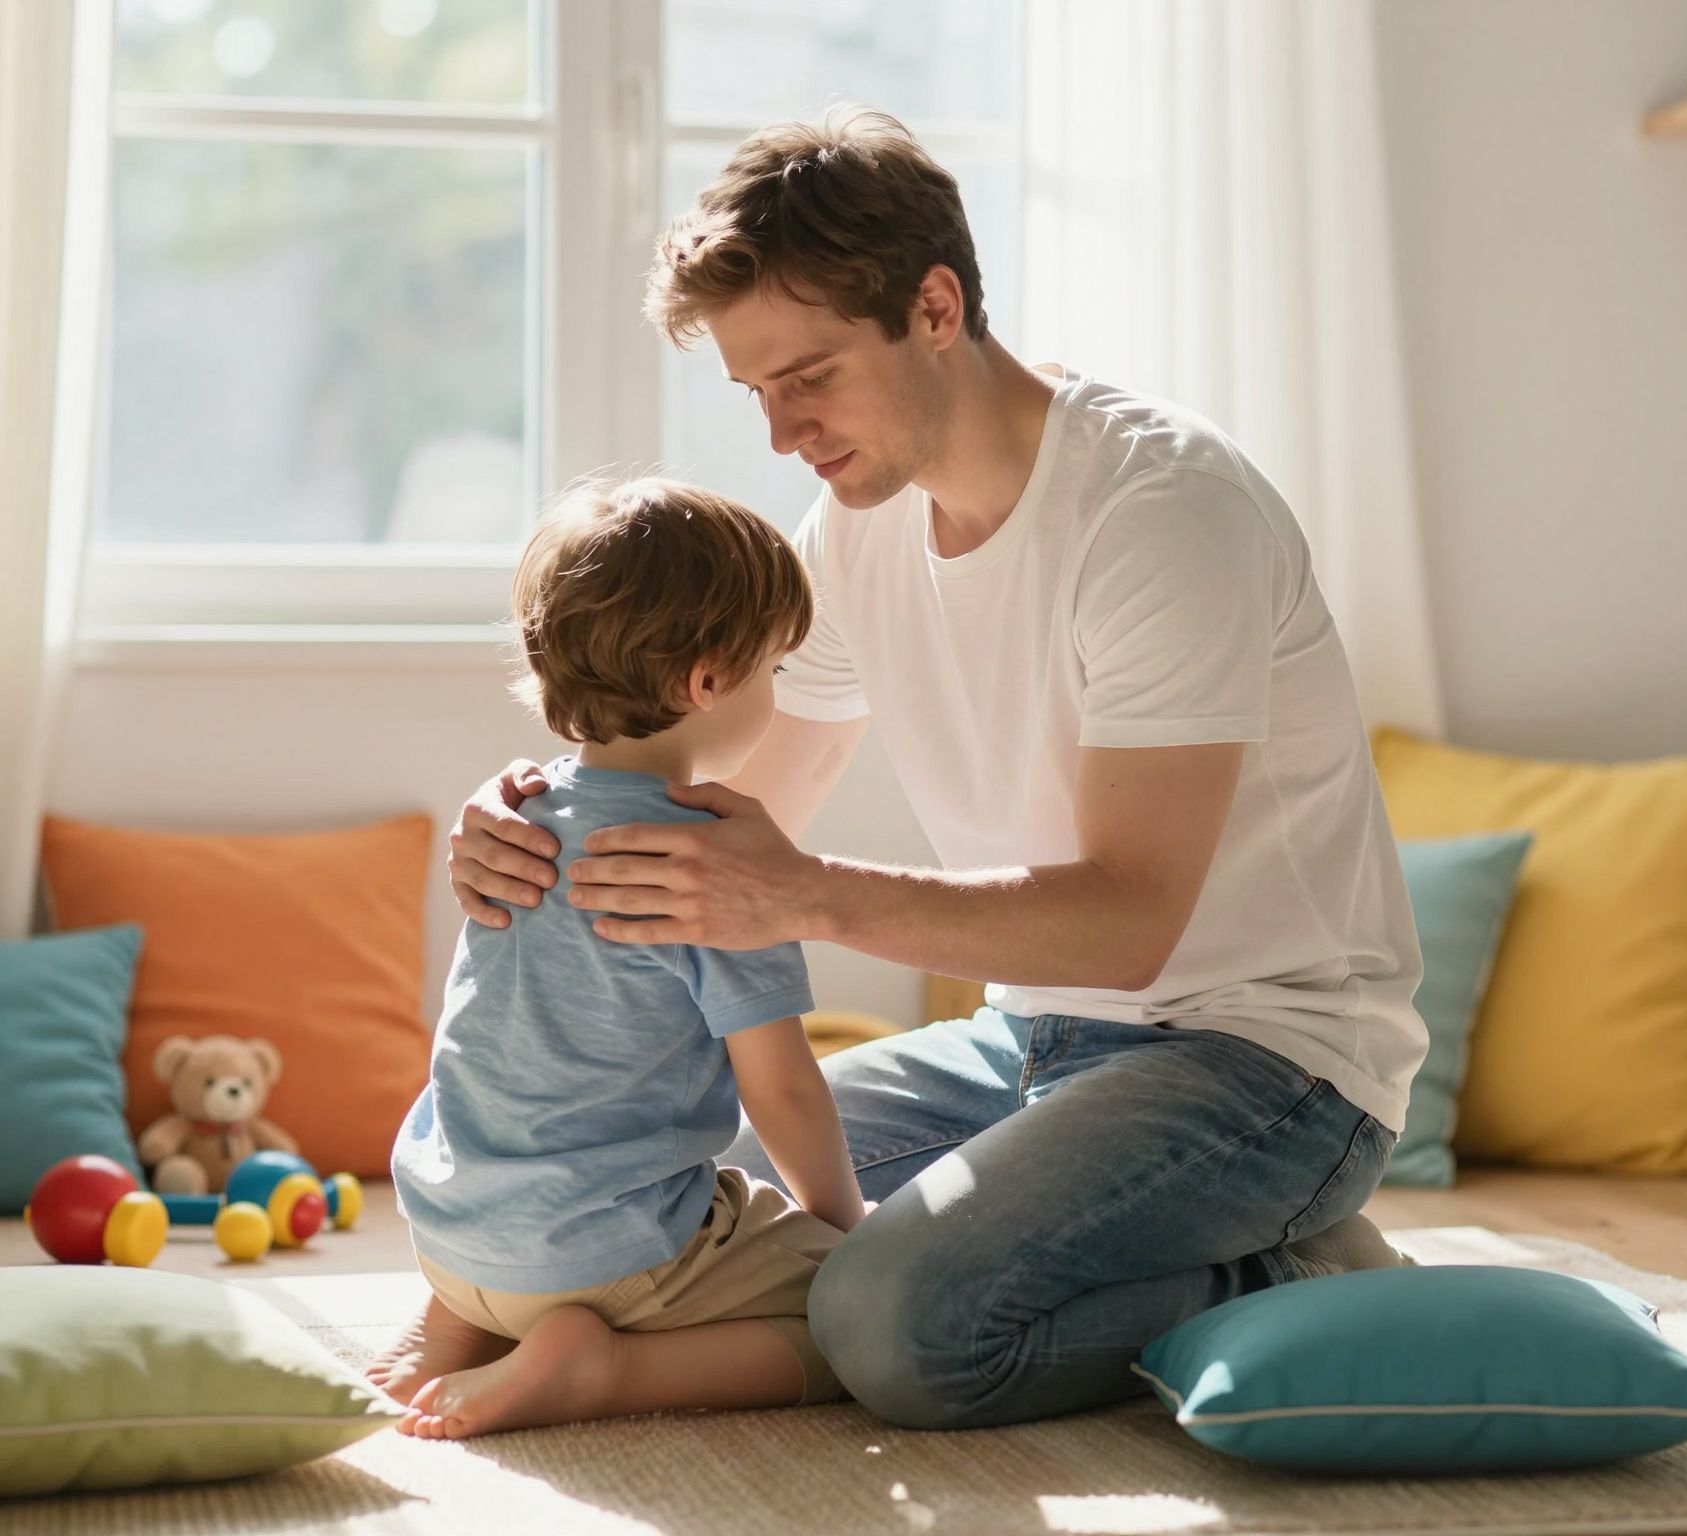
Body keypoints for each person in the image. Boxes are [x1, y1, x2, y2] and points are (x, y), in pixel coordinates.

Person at [439, 106, 1426, 1431]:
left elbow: (1131, 923)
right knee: (645, 1198)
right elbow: (725, 811)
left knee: (892, 1323)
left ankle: (1288, 1265)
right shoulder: (856, 529)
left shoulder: (1162, 513)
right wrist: (541, 824)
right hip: (1031, 1042)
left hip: (1263, 1063)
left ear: (936, 307)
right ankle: (1135, 1240)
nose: (783, 431)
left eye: (810, 376)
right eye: (755, 392)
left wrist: (803, 896)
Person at [374, 479, 864, 1439]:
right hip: (598, 1259)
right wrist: (845, 1231)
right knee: (851, 1324)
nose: (778, 692)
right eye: (774, 668)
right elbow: (784, 1091)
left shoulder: (513, 819)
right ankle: (601, 1368)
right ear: (708, 682)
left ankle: (462, 1318)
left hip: (448, 1226)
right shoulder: (720, 865)